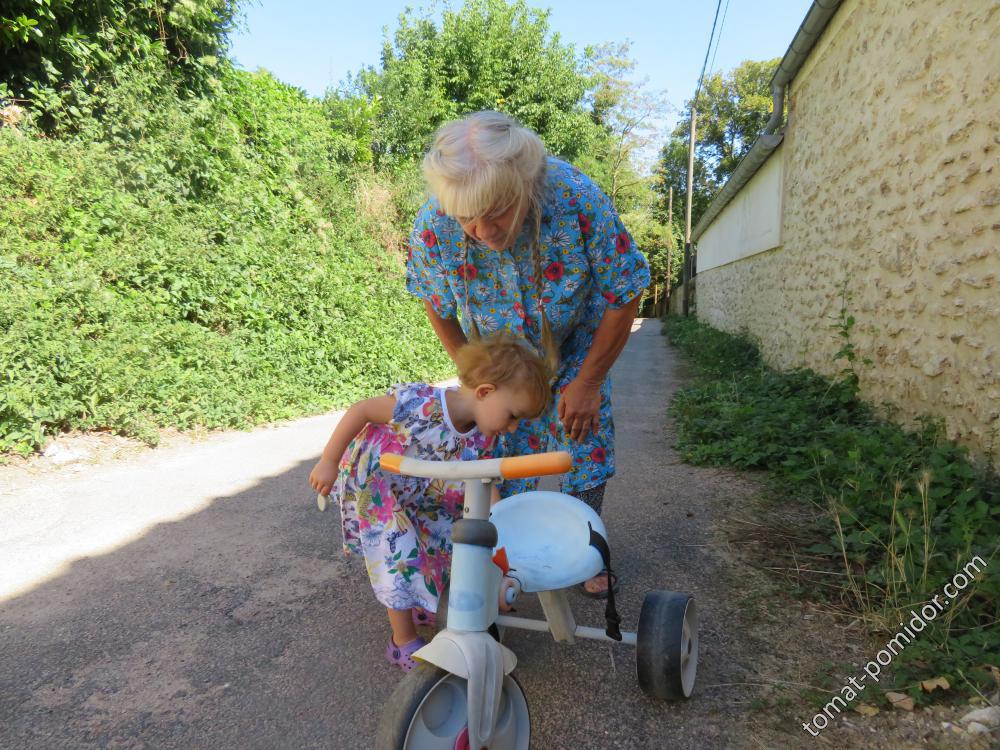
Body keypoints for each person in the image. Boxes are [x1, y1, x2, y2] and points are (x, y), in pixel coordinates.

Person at [406, 110, 650, 597]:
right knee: (494, 452)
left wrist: (589, 382)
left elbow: (625, 291)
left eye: (496, 211)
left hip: (574, 348)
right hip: (498, 362)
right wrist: (471, 372)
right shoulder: (436, 224)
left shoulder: (576, 198)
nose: (482, 231)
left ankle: (586, 547)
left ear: (524, 182)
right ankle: (506, 552)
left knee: (583, 446)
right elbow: (436, 305)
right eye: (465, 218)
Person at [309, 336, 553, 671]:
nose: (512, 427)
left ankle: (422, 603)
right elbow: (362, 410)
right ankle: (402, 641)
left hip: (426, 492)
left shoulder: (484, 434)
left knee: (439, 546)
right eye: (512, 416)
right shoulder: (420, 405)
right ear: (484, 392)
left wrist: (500, 537)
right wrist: (328, 461)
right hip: (382, 489)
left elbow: (485, 482)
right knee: (398, 556)